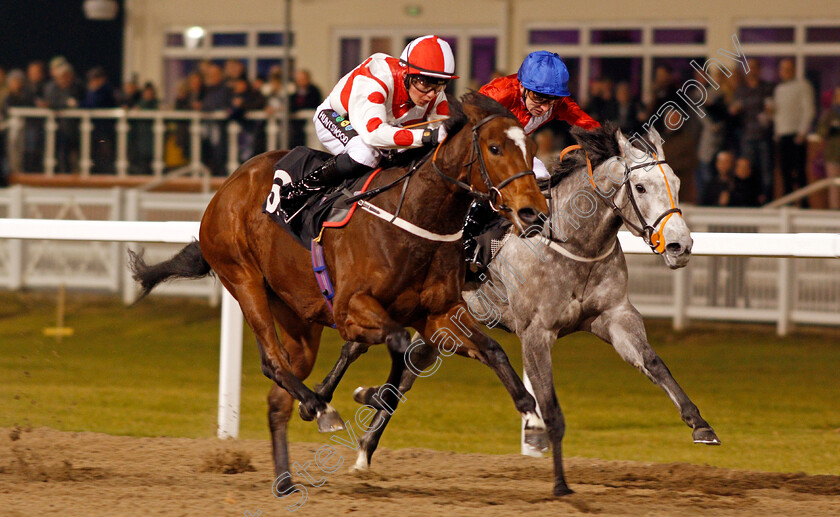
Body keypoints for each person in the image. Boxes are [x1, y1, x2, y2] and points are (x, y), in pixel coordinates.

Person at [278, 35, 455, 221]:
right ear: (406, 73)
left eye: (439, 84)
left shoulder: (436, 95)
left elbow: (441, 139)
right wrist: (427, 136)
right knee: (366, 153)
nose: (430, 94)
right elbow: (374, 134)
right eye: (424, 83)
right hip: (337, 117)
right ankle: (296, 192)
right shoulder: (376, 77)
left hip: (383, 129)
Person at [463, 51, 599, 270]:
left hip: (512, 153)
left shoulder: (557, 103)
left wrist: (617, 145)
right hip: (478, 151)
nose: (544, 108)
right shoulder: (499, 93)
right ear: (522, 87)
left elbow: (590, 127)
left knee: (542, 175)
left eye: (551, 101)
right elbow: (465, 125)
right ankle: (467, 239)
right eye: (538, 98)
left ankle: (514, 241)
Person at [773, 59, 816, 203]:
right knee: (785, 174)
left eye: (788, 68)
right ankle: (788, 205)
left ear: (794, 69)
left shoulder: (803, 86)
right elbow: (777, 114)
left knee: (799, 173)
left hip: (797, 135)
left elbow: (809, 110)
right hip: (783, 135)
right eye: (782, 69)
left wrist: (802, 132)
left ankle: (804, 205)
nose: (785, 72)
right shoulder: (779, 89)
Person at [816, 86, 840, 209]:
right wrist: (833, 128)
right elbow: (820, 132)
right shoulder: (829, 114)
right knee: (834, 188)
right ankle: (835, 215)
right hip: (833, 156)